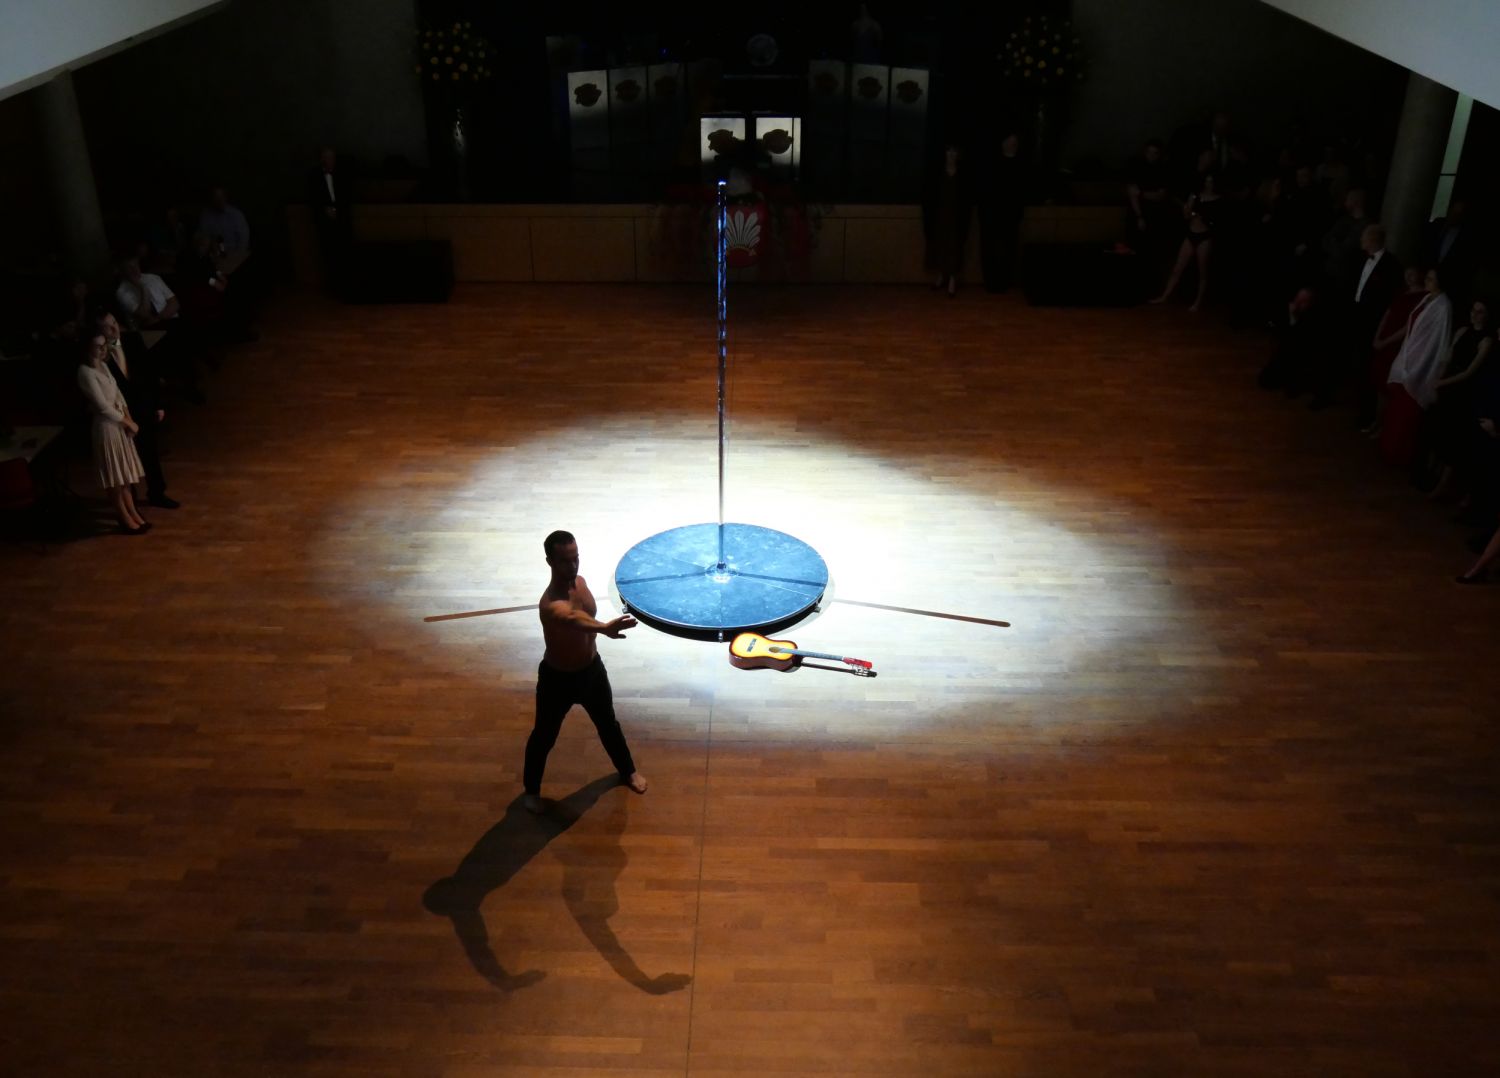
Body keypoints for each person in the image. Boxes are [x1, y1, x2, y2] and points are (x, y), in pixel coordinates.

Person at [523, 530, 648, 814]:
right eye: (565, 561)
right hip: (557, 679)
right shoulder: (549, 604)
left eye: (576, 558)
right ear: (549, 562)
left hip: (591, 671)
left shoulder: (581, 583)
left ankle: (628, 771)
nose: (573, 565)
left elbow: (581, 614)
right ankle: (531, 791)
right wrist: (604, 628)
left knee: (609, 725)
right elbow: (571, 617)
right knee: (544, 736)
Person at [96, 311, 176, 509]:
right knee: (125, 457)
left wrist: (158, 404)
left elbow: (151, 372)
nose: (114, 328)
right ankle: (130, 499)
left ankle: (157, 493)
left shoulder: (133, 340)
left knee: (150, 452)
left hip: (143, 406)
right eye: (107, 326)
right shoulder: (99, 354)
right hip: (120, 413)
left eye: (115, 322)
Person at [76, 334, 150, 534]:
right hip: (106, 427)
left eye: (104, 345)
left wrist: (129, 419)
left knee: (124, 475)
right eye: (98, 346)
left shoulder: (104, 365)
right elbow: (102, 406)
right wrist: (127, 422)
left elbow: (118, 394)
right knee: (115, 477)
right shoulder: (85, 372)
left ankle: (133, 512)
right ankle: (123, 517)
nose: (103, 350)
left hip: (119, 423)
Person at [1382, 267, 1454, 467]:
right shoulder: (1427, 298)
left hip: (1422, 364)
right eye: (1427, 278)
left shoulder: (1443, 306)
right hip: (1409, 357)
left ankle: (1401, 455)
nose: (1427, 281)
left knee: (1408, 413)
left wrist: (1422, 363)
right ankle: (1389, 450)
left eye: (1431, 278)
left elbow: (1438, 341)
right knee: (1397, 409)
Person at [1150, 171, 1223, 312]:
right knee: (1177, 268)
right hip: (1191, 234)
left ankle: (1198, 302)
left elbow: (1217, 221)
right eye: (1207, 181)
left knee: (1202, 271)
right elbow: (1187, 216)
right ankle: (1164, 296)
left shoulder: (1218, 199)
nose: (1208, 184)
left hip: (1205, 236)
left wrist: (1205, 219)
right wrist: (1187, 210)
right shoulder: (1195, 195)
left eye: (1211, 181)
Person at [978, 131, 1027, 292]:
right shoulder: (993, 164)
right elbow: (987, 191)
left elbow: (1021, 192)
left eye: (1014, 143)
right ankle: (992, 282)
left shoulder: (1020, 165)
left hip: (1010, 215)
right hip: (992, 214)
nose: (1012, 145)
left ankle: (1004, 281)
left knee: (1008, 249)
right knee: (991, 249)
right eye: (1010, 141)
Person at [923, 144, 972, 298]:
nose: (951, 154)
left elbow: (966, 199)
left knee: (954, 247)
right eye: (949, 151)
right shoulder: (938, 173)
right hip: (940, 215)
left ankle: (952, 279)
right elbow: (931, 195)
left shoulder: (962, 175)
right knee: (940, 245)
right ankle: (941, 276)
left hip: (956, 216)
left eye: (954, 151)